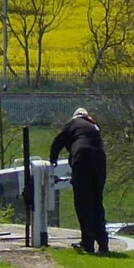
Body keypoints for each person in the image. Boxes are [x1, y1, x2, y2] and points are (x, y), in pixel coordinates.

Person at [50, 106, 109, 254]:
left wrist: (53, 159)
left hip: (83, 160)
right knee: (96, 203)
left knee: (83, 204)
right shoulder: (94, 126)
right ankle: (103, 244)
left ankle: (87, 244)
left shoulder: (73, 123)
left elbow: (58, 141)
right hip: (100, 163)